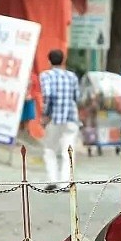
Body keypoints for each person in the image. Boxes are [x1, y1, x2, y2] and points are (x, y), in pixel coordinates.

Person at [40, 49, 80, 192]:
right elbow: (76, 97)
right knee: (68, 150)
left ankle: (53, 180)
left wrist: (45, 114)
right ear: (63, 61)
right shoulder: (72, 76)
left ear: (49, 61)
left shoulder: (46, 76)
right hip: (71, 117)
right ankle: (65, 183)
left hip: (54, 118)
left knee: (50, 149)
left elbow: (48, 95)